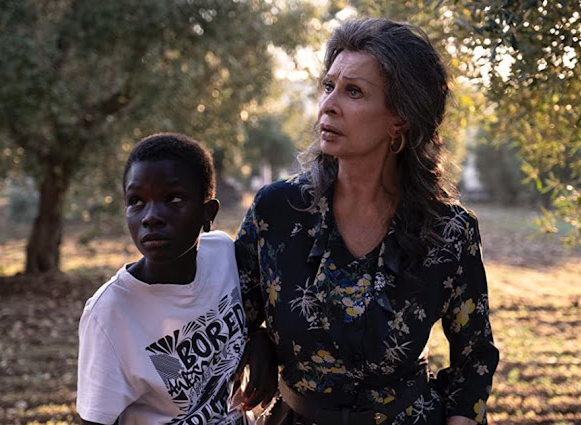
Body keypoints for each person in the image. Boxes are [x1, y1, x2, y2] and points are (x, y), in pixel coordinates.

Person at [234, 18, 499, 425]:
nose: (328, 105)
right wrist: (260, 343)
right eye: (329, 86)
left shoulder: (448, 232)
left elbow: (475, 359)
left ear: (400, 120)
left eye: (354, 91)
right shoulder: (276, 213)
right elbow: (233, 321)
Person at [77, 133, 247, 425]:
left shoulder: (224, 254)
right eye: (136, 201)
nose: (151, 216)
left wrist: (260, 340)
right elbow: (95, 420)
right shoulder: (110, 312)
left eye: (173, 198)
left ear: (208, 213)